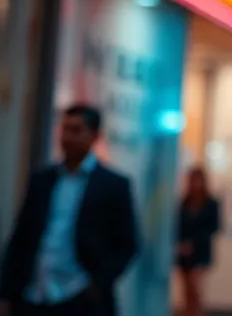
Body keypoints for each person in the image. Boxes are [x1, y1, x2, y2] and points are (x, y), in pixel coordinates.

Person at [0, 105, 139, 316]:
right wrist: (6, 290)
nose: (67, 137)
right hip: (34, 294)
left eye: (76, 130)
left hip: (78, 297)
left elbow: (128, 243)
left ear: (93, 136)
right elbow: (21, 238)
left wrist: (97, 283)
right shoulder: (42, 180)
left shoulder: (113, 185)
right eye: (64, 129)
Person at [175, 167, 221, 316]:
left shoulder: (211, 203)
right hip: (184, 253)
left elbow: (213, 227)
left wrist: (193, 243)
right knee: (186, 291)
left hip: (200, 252)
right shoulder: (184, 202)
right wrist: (181, 244)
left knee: (196, 289)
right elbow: (178, 226)